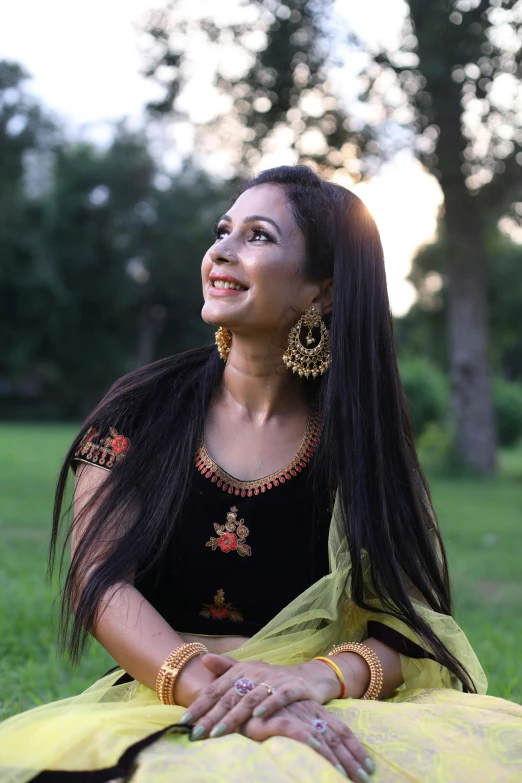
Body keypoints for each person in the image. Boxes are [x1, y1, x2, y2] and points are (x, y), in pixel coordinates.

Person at [0, 165, 521, 783]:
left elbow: (409, 622)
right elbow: (99, 577)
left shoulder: (361, 436)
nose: (221, 250)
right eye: (224, 230)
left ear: (321, 292)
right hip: (166, 690)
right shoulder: (141, 412)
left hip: (324, 701)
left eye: (258, 236)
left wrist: (309, 682)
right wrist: (217, 695)